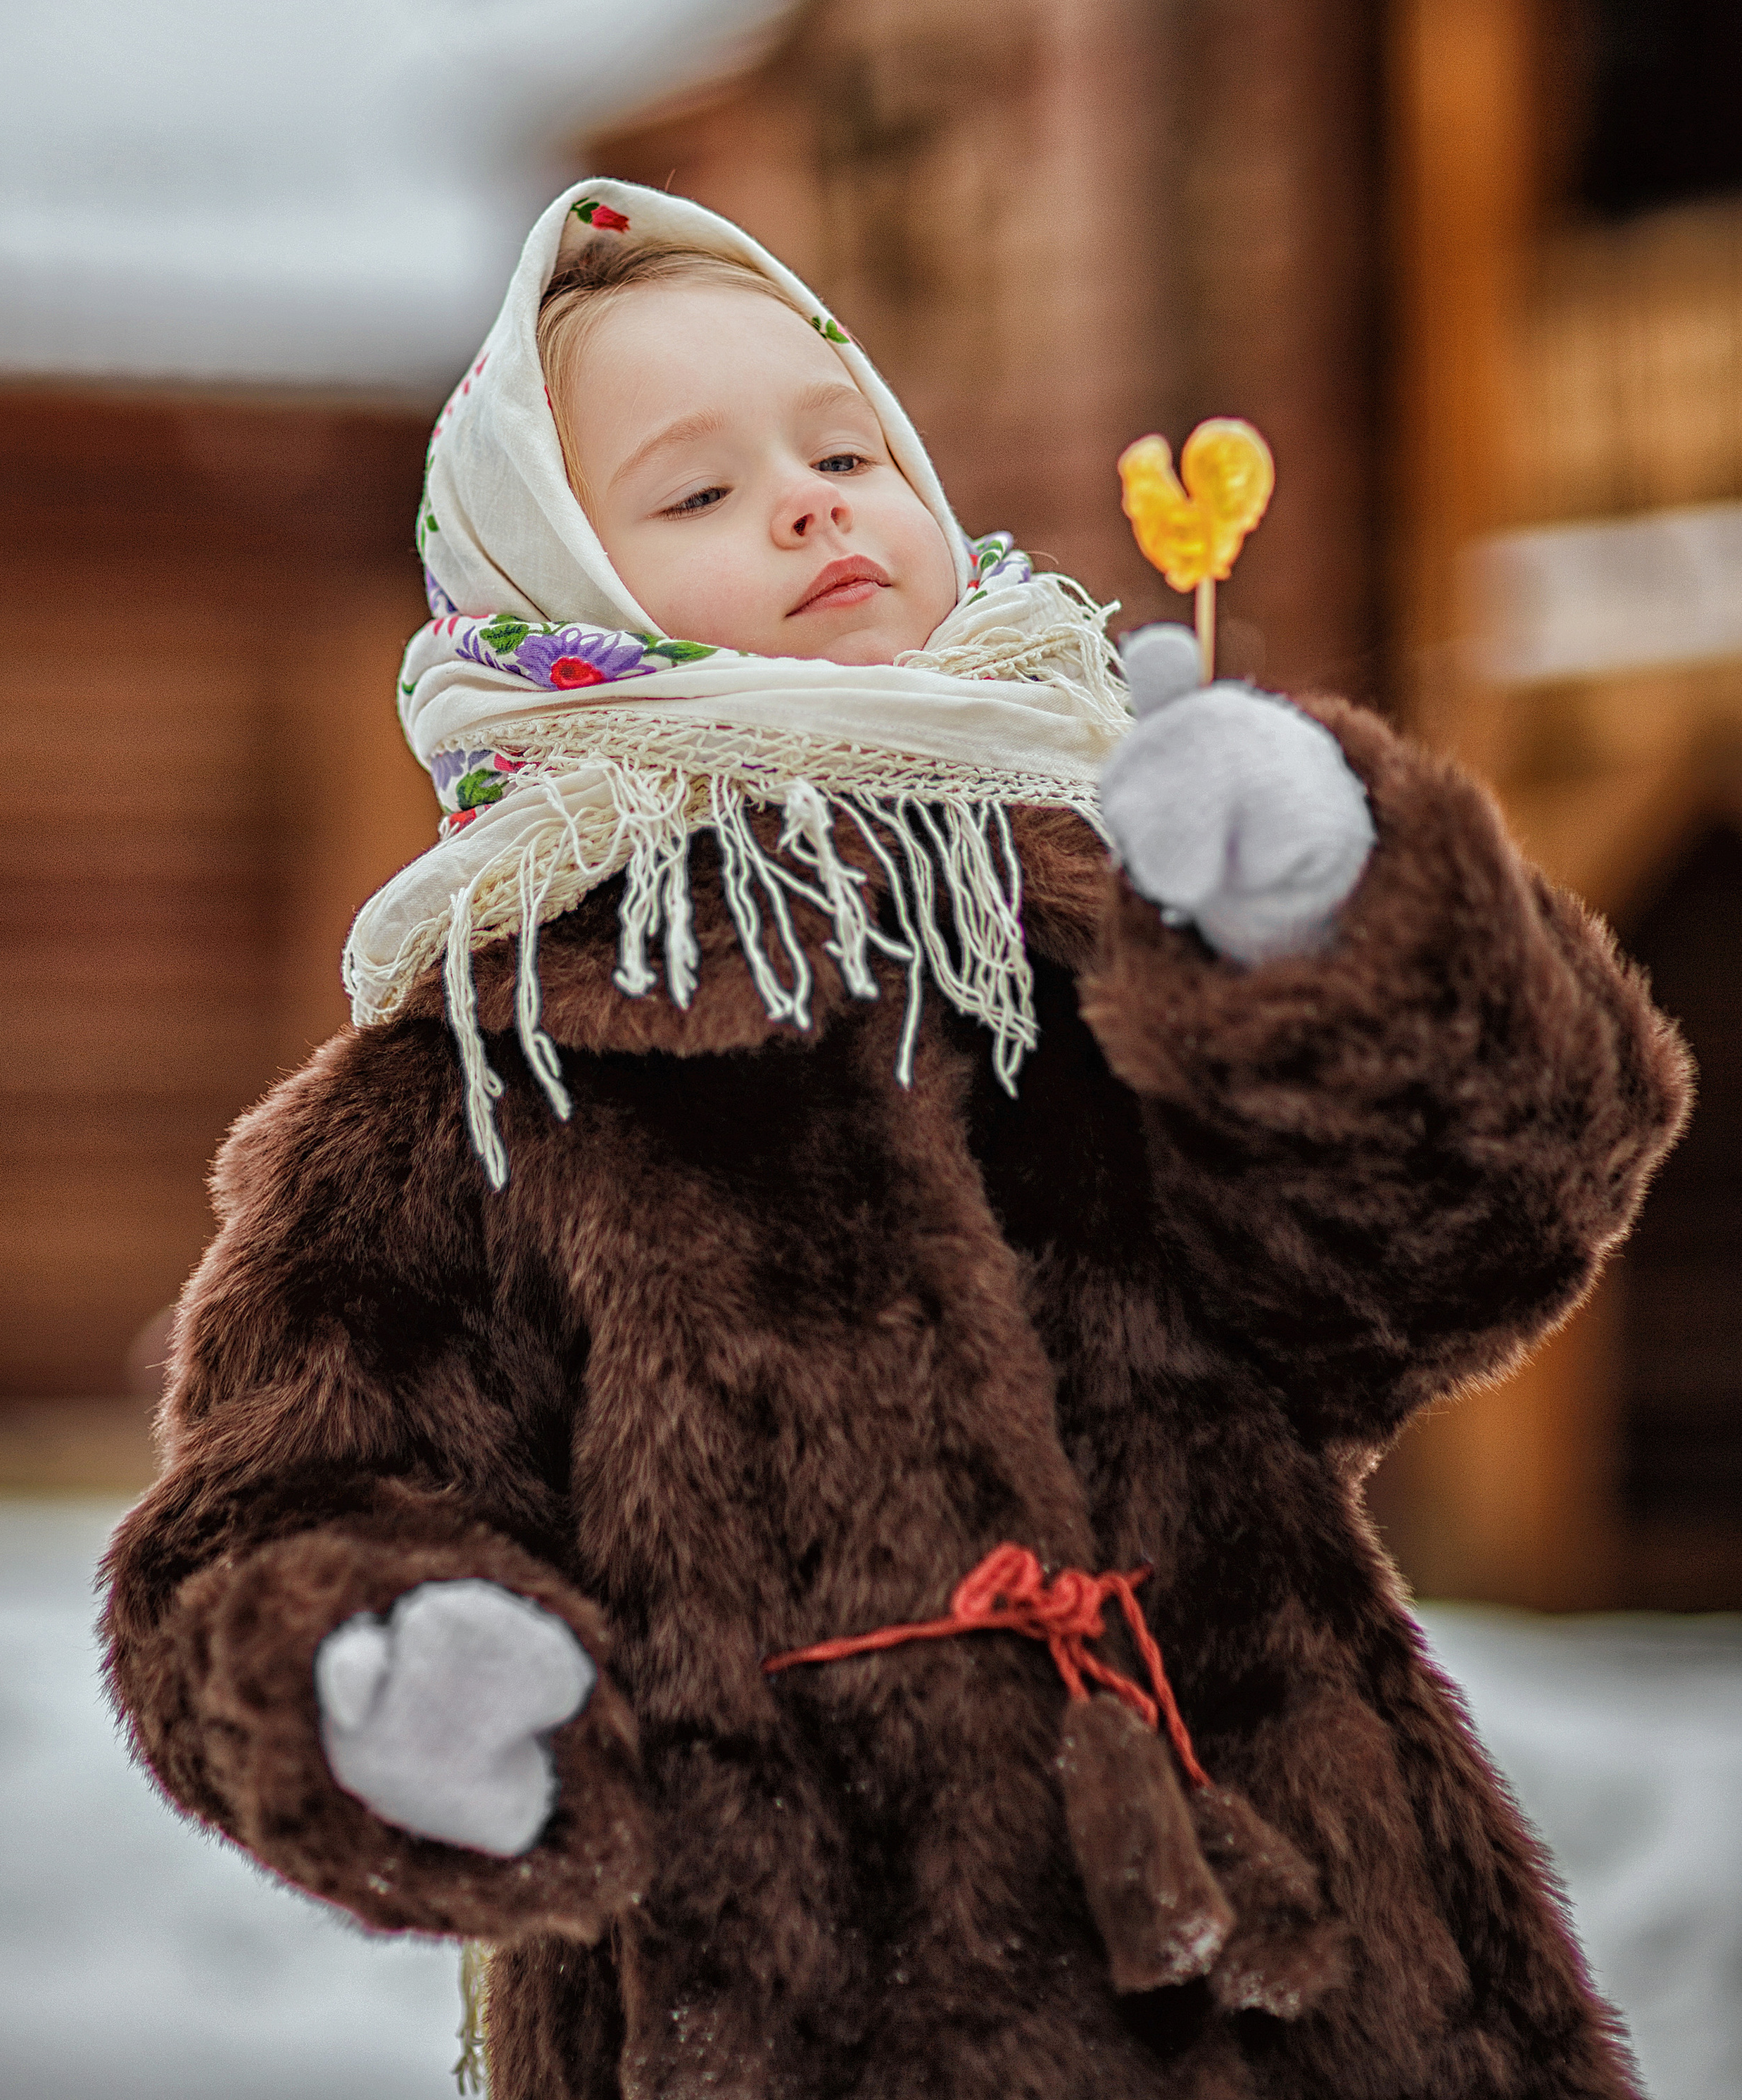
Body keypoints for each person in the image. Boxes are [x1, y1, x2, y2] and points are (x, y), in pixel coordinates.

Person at [102, 181, 1689, 2100]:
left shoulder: (1109, 929)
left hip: (1330, 1976)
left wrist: (1324, 943)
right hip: (795, 2011)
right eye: (693, 495)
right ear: (554, 604)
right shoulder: (478, 1086)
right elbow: (273, 1510)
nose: (810, 501)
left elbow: (1472, 1230)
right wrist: (378, 1667)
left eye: (844, 447)